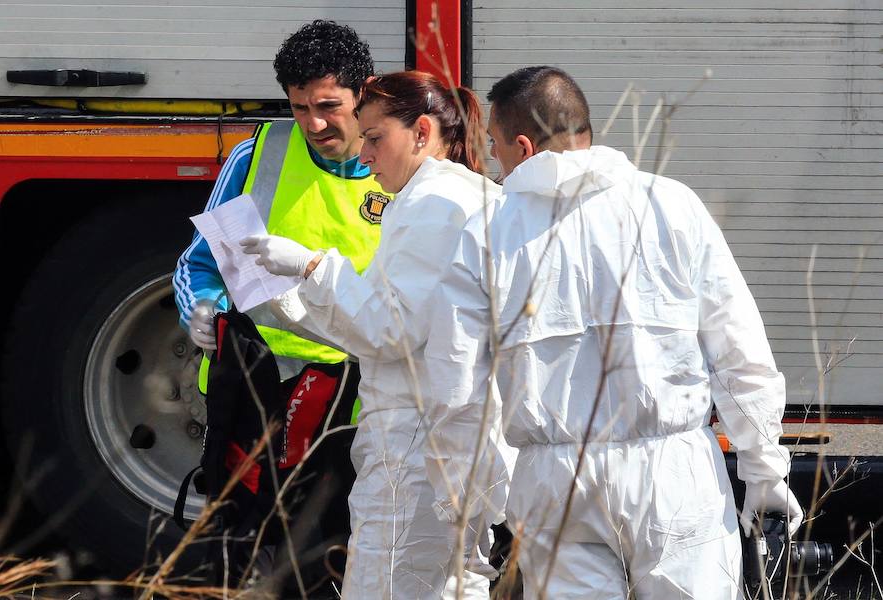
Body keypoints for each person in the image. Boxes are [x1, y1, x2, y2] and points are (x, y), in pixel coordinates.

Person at [423, 65, 803, 599]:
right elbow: (739, 353)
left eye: (494, 144)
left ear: (524, 146)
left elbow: (454, 390)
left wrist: (469, 510)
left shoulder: (486, 232)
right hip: (674, 471)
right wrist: (764, 470)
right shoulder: (671, 205)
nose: (491, 159)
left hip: (554, 482)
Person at [239, 71, 510, 599]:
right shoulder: (450, 198)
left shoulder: (433, 205)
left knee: (386, 587)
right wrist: (287, 299)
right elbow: (389, 327)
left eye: (375, 137)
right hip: (444, 446)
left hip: (416, 451)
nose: (364, 155)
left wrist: (315, 266)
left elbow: (390, 334)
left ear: (422, 132)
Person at [173, 20, 386, 387]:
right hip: (251, 392)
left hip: (358, 401)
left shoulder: (403, 169)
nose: (314, 124)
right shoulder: (256, 155)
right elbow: (199, 264)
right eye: (300, 108)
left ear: (364, 94)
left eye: (328, 106)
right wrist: (201, 308)